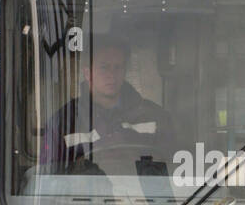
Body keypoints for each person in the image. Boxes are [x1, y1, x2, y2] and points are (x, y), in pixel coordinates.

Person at [39, 41, 176, 171]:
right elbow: (51, 177)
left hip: (143, 195)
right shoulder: (63, 122)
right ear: (87, 73)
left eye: (118, 67)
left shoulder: (155, 116)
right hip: (87, 194)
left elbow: (170, 168)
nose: (112, 75)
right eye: (104, 67)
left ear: (124, 71)